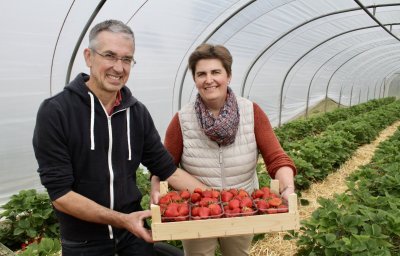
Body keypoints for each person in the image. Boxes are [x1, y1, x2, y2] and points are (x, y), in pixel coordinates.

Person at [32, 19, 207, 256]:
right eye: (110, 56)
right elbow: (61, 195)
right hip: (85, 244)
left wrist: (219, 199)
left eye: (126, 59)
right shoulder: (57, 112)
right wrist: (122, 220)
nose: (119, 67)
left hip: (133, 237)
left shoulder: (136, 112)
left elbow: (168, 170)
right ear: (88, 57)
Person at [152, 43, 297, 256]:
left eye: (215, 72)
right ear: (195, 80)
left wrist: (287, 185)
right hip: (196, 211)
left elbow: (276, 158)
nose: (208, 79)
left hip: (242, 207)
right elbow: (164, 164)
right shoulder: (182, 120)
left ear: (228, 76)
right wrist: (156, 186)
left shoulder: (251, 112)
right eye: (201, 74)